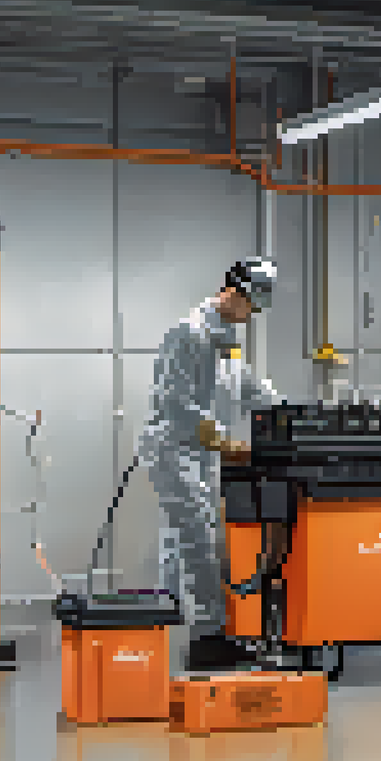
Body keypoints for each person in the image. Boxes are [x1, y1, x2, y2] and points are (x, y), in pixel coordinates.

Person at [137, 258, 280, 670]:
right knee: (199, 535)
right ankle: (207, 637)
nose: (252, 316)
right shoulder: (187, 333)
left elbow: (246, 384)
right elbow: (171, 400)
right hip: (173, 446)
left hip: (200, 450)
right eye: (250, 306)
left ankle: (165, 618)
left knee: (178, 535)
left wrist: (287, 411)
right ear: (234, 293)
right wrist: (218, 436)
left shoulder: (226, 337)